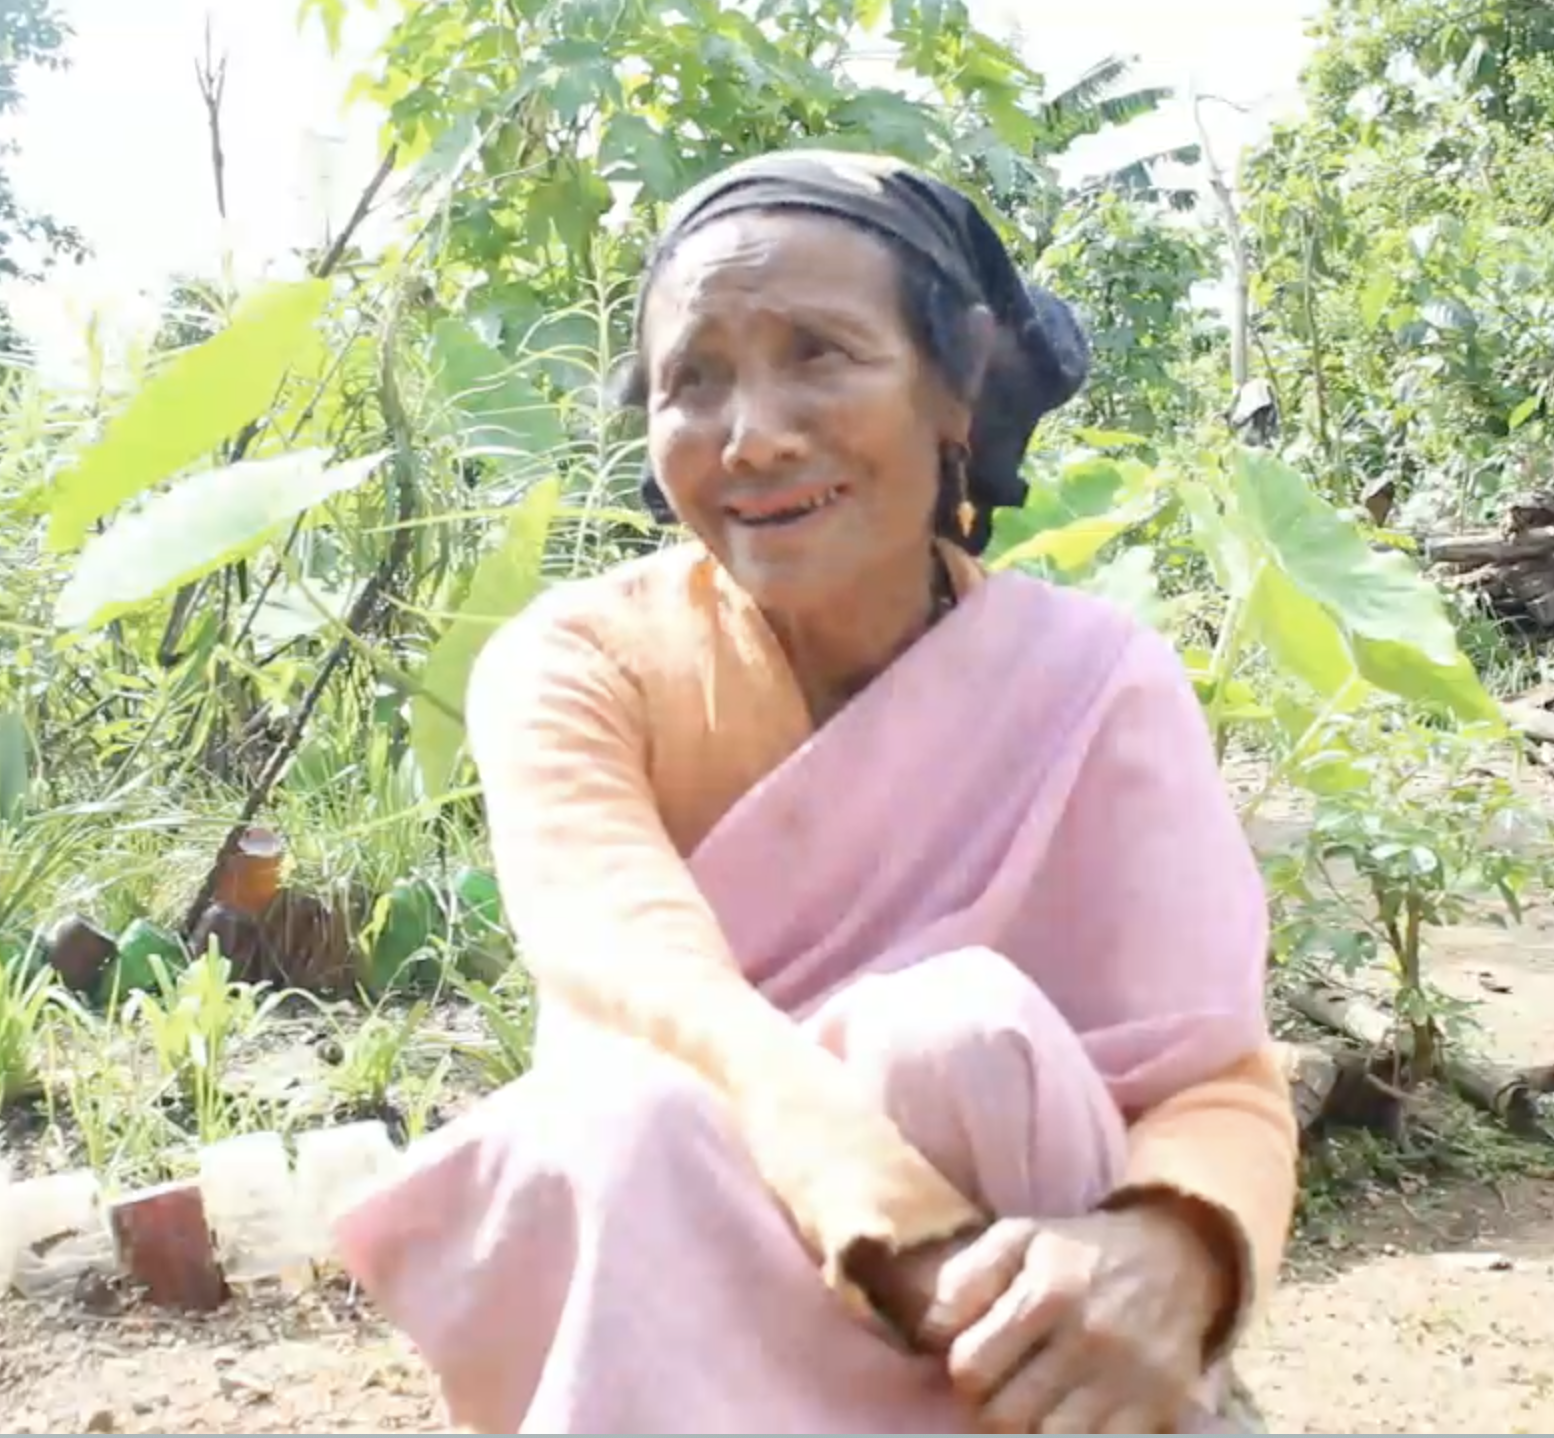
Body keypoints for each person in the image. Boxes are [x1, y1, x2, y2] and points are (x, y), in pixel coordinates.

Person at [334, 149, 1299, 1434]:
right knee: (629, 1114)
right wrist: (884, 1222)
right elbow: (649, 978)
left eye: (820, 354)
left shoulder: (1091, 679)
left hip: (1031, 1333)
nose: (752, 434)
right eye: (695, 379)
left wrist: (1167, 1254)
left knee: (955, 1029)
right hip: (686, 1262)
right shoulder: (576, 668)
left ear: (954, 391)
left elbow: (1209, 1076)